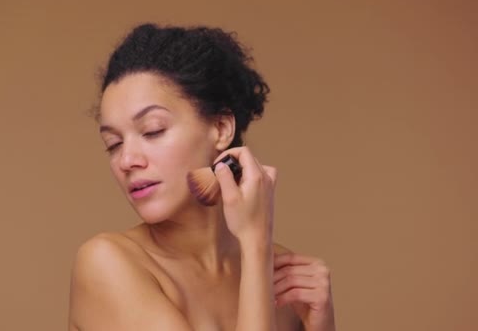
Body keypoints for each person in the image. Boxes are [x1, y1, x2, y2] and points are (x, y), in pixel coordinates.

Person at [69, 23, 336, 331]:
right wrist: (256, 243)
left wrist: (322, 327)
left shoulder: (281, 276)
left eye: (152, 131)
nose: (127, 160)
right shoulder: (107, 264)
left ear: (220, 129)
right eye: (113, 145)